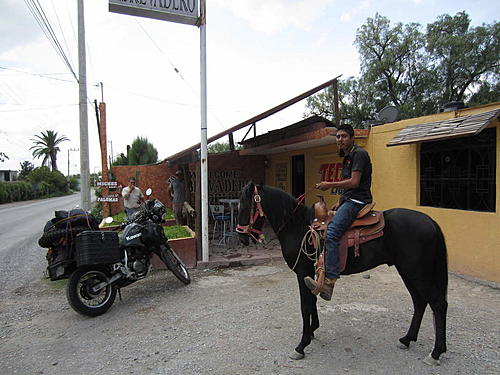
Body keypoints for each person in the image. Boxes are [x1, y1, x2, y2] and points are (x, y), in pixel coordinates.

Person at [304, 124, 372, 301]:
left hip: (358, 201)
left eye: (343, 136)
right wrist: (339, 202)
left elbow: (354, 182)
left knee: (333, 232)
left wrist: (329, 185)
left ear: (352, 138)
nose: (340, 140)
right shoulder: (347, 157)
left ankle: (329, 281)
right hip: (349, 200)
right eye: (338, 137)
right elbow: (348, 187)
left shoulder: (359, 154)